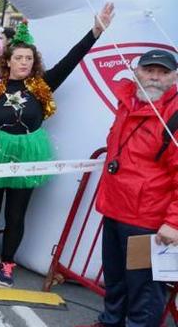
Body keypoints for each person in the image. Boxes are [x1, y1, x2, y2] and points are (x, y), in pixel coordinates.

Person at [0, 4, 113, 287]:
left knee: (17, 214)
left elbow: (70, 61)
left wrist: (95, 33)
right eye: (18, 58)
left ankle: (6, 262)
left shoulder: (42, 86)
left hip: (27, 154)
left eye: (29, 58)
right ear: (7, 61)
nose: (24, 63)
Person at [89, 48, 178, 327]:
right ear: (137, 72)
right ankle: (110, 322)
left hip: (146, 221)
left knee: (144, 289)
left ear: (173, 78)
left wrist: (174, 222)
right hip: (115, 209)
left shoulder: (174, 116)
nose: (154, 77)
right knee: (115, 280)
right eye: (149, 70)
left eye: (162, 73)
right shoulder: (128, 101)